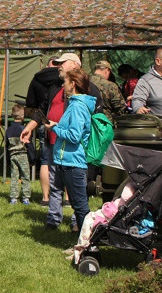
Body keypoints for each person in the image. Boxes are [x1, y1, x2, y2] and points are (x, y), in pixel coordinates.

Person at [44, 68, 96, 231]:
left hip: (73, 163)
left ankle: (87, 244)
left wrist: (54, 129)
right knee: (77, 204)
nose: (63, 85)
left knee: (80, 207)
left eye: (65, 82)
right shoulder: (75, 104)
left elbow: (74, 136)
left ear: (73, 84)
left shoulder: (77, 107)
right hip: (67, 161)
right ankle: (82, 243)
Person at [21, 55, 63, 205]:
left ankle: (45, 197)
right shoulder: (63, 79)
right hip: (62, 121)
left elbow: (30, 103)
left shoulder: (37, 79)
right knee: (66, 159)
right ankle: (67, 199)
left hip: (41, 121)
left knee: (45, 159)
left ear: (47, 64)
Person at [6, 104, 31, 205]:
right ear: (22, 116)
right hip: (23, 155)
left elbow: (6, 145)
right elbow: (29, 145)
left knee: (14, 176)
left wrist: (8, 158)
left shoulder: (8, 130)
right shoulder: (24, 129)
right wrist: (32, 157)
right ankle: (26, 198)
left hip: (12, 155)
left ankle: (13, 198)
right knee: (25, 176)